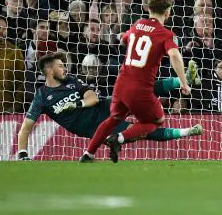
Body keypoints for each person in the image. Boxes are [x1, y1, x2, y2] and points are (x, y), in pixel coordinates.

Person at [15, 51, 204, 160]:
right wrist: (22, 153)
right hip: (95, 127)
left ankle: (183, 80)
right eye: (60, 65)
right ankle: (186, 132)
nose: (65, 68)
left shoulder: (71, 81)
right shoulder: (41, 97)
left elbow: (92, 97)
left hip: (105, 107)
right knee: (140, 131)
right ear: (49, 70)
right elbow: (26, 128)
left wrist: (76, 104)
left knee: (139, 90)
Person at [81, 0, 193, 163]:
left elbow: (125, 39)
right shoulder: (165, 34)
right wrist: (184, 83)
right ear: (168, 12)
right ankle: (118, 138)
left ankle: (88, 153)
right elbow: (175, 55)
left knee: (113, 119)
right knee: (157, 120)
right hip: (139, 89)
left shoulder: (138, 23)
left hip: (121, 84)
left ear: (148, 9)